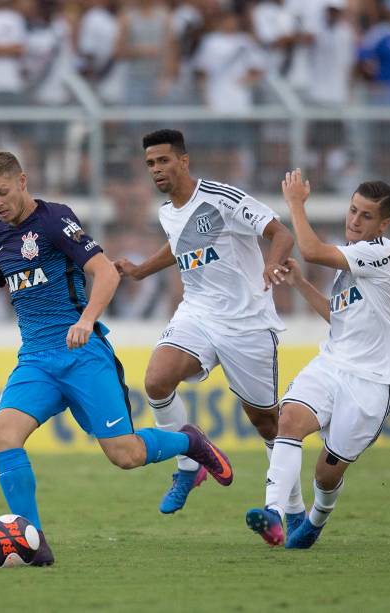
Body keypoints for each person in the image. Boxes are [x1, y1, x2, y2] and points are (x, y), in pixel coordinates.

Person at [0, 151, 234, 566]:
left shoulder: (54, 220)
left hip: (83, 356)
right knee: (3, 433)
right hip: (36, 360)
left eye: (2, 192)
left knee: (126, 456)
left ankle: (189, 441)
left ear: (23, 182)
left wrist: (86, 320)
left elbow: (104, 272)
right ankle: (31, 540)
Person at [114, 129, 305, 523]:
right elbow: (179, 243)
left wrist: (273, 263)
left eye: (163, 160)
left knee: (267, 422)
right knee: (156, 380)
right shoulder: (168, 211)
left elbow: (280, 233)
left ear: (183, 161)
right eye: (150, 163)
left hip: (246, 323)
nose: (156, 169)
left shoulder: (223, 198)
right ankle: (189, 464)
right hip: (197, 313)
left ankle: (296, 511)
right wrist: (140, 271)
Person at [245, 170, 390, 549]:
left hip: (371, 381)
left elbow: (312, 250)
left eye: (366, 216)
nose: (354, 220)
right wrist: (301, 284)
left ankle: (315, 519)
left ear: (384, 224)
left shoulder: (381, 253)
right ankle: (274, 513)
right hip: (331, 365)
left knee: (326, 474)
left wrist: (296, 204)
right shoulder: (355, 258)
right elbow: (339, 318)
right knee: (289, 420)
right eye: (352, 210)